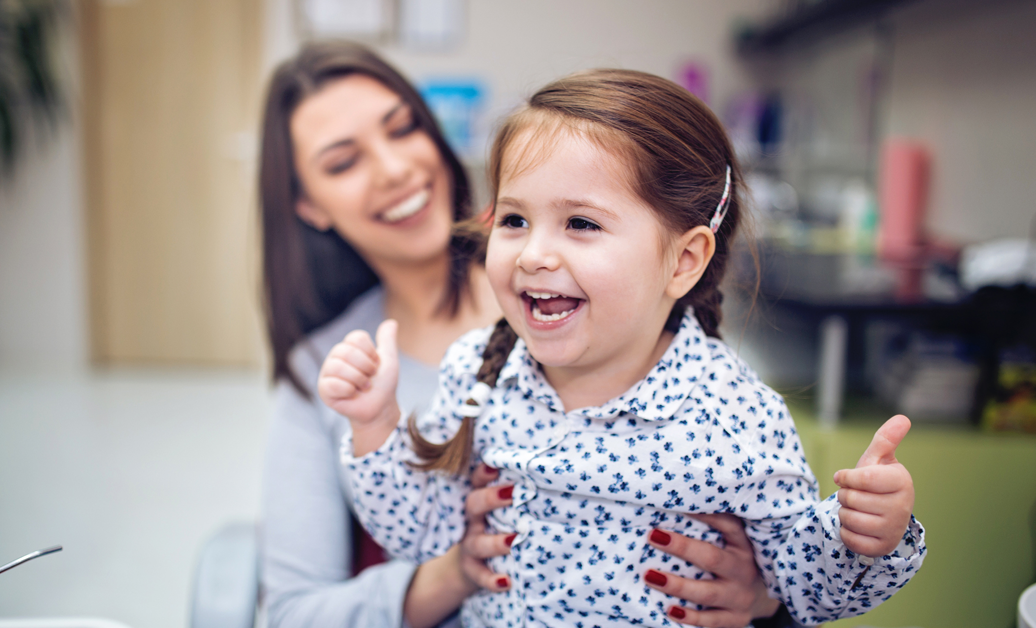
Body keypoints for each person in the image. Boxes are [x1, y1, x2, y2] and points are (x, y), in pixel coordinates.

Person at [319, 69, 927, 627]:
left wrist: (863, 534)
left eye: (581, 223)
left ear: (684, 260)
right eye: (514, 220)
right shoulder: (479, 373)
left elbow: (806, 589)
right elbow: (422, 536)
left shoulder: (733, 413)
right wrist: (375, 422)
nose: (533, 255)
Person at [259, 41, 794, 628]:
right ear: (308, 204)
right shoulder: (327, 369)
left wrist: (765, 594)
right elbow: (294, 612)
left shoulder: (636, 320)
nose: (393, 169)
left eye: (402, 127)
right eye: (343, 162)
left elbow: (780, 534)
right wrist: (455, 572)